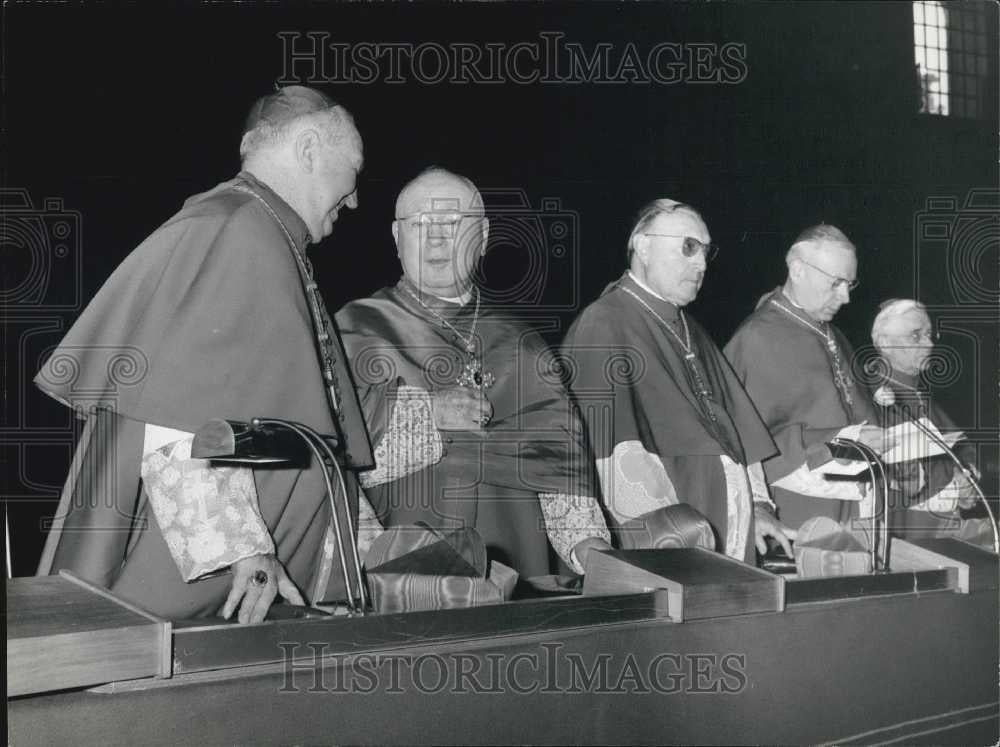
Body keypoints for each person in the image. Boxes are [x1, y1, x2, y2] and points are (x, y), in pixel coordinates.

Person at [34, 86, 374, 623]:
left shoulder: (259, 229)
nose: (354, 199)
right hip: (201, 589)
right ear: (309, 149)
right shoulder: (238, 230)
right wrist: (246, 552)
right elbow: (178, 419)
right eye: (354, 168)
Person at [336, 167, 611, 579]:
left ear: (482, 236)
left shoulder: (524, 345)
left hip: (515, 571)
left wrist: (591, 551)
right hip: (401, 573)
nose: (436, 238)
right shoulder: (353, 331)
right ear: (396, 237)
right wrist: (428, 414)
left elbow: (561, 477)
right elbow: (334, 460)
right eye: (420, 224)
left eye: (452, 223)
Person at [561, 199, 794, 563]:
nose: (702, 264)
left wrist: (760, 506)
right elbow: (612, 453)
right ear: (643, 246)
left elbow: (739, 431)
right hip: (673, 545)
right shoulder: (605, 325)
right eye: (688, 247)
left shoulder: (693, 331)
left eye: (705, 251)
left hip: (728, 533)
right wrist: (670, 540)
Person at [724, 224, 893, 530]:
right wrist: (840, 440)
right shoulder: (756, 338)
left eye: (850, 284)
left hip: (857, 506)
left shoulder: (834, 335)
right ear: (798, 270)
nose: (845, 297)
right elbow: (743, 443)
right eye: (836, 282)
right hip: (800, 512)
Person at [870, 299, 993, 545]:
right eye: (916, 336)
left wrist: (966, 477)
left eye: (929, 334)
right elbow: (897, 474)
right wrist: (954, 488)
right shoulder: (869, 394)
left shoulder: (919, 393)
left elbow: (962, 447)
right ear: (885, 342)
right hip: (906, 532)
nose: (929, 344)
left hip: (942, 524)